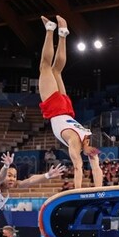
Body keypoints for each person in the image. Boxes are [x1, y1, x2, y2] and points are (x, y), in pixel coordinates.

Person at [38, 16, 103, 190]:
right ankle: (51, 30)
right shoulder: (76, 143)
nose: (92, 155)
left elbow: (96, 169)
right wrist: (77, 191)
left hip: (66, 107)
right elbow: (78, 167)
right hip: (57, 108)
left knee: (56, 70)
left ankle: (63, 33)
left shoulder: (86, 136)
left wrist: (99, 190)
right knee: (45, 66)